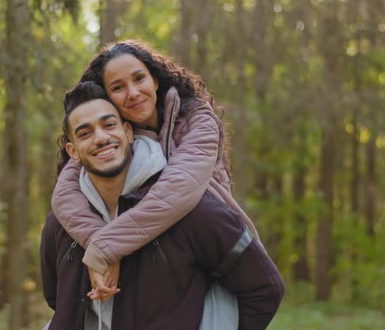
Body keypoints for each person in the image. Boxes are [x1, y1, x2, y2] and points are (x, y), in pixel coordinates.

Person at [40, 81, 284, 329]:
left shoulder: (193, 211)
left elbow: (264, 289)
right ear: (73, 151)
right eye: (85, 133)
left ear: (128, 131)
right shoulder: (60, 222)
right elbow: (57, 299)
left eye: (109, 125)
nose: (101, 138)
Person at [52, 39, 259, 296]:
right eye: (118, 87)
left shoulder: (198, 121)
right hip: (163, 267)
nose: (133, 93)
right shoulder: (115, 138)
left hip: (219, 252)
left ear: (156, 80)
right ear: (108, 98)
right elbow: (64, 193)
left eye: (139, 78)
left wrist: (106, 247)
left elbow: (175, 191)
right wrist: (98, 240)